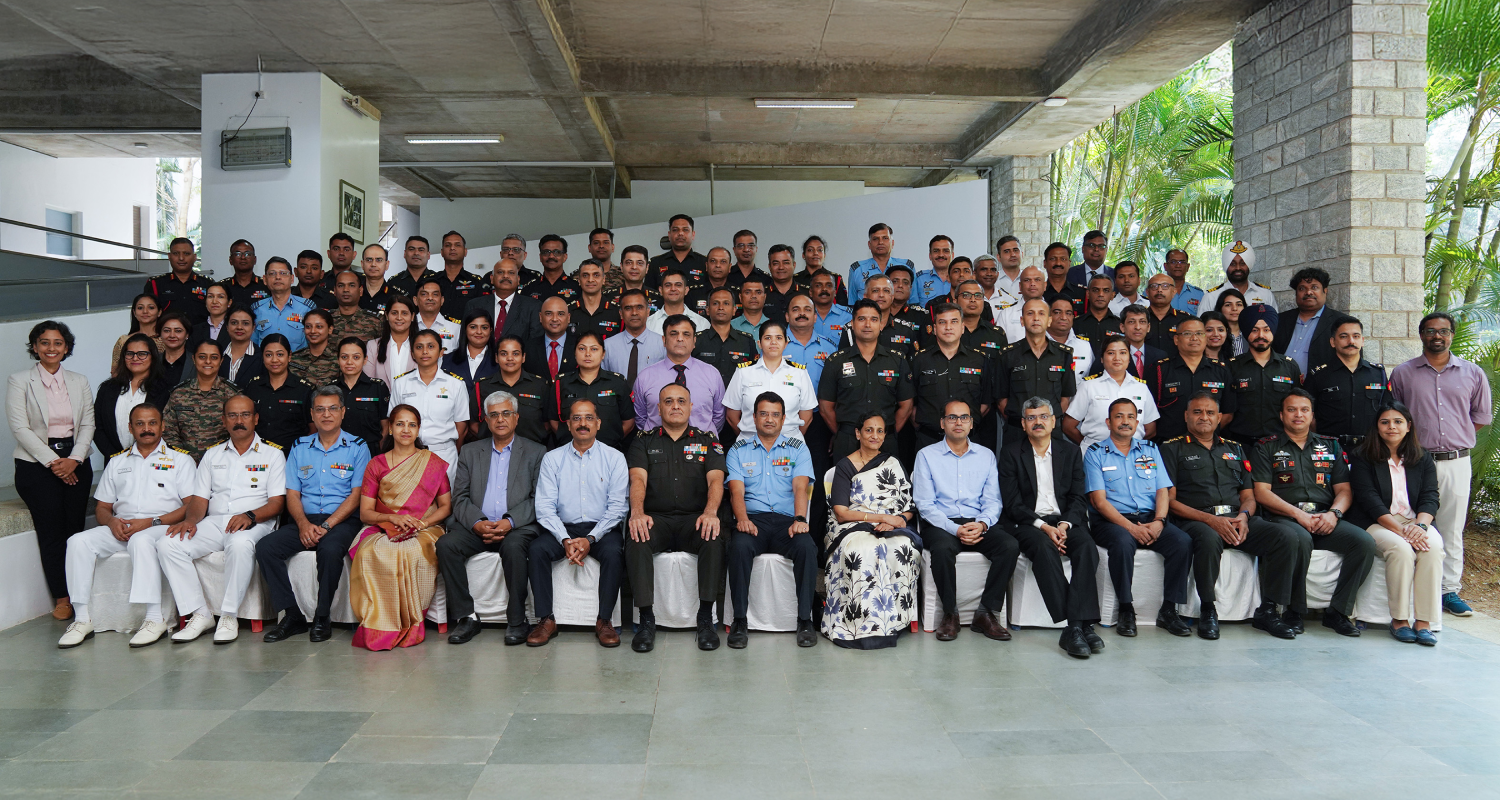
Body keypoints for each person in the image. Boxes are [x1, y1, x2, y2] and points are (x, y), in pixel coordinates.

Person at [1161, 393, 1303, 640]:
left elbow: (1248, 495)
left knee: (1285, 536)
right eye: (1197, 412)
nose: (1204, 417)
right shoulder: (1172, 448)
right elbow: (1170, 502)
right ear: (1186, 416)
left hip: (1237, 519)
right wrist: (1211, 520)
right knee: (1208, 538)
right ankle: (1208, 609)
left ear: (1219, 418)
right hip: (1196, 520)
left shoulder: (1235, 448)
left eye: (1210, 413)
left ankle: (1268, 610)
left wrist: (1245, 516)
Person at [57, 404, 196, 648]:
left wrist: (151, 522)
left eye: (152, 423)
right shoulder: (117, 462)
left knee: (141, 540)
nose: (146, 429)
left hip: (161, 525)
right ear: (130, 428)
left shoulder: (180, 460)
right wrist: (111, 522)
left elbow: (191, 506)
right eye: (140, 424)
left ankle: (155, 618)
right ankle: (82, 619)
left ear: (162, 426)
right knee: (77, 541)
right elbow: (102, 507)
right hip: (122, 526)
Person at [159, 395, 287, 644]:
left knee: (239, 544)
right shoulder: (212, 455)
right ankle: (201, 613)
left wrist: (250, 516)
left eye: (245, 415)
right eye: (232, 415)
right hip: (215, 521)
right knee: (168, 544)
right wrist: (192, 521)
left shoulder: (273, 455)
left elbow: (277, 503)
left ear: (256, 419)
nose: (239, 421)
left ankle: (229, 615)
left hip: (256, 522)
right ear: (224, 420)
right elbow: (199, 499)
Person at [1251, 388, 1378, 636]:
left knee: (1363, 543)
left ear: (1312, 415)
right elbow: (1262, 492)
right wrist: (1298, 516)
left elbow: (1344, 490)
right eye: (1291, 410)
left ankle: (1338, 612)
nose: (1298, 415)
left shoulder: (1329, 446)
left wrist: (1334, 514)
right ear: (1281, 415)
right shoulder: (1266, 447)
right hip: (1285, 517)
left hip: (1324, 517)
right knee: (1300, 538)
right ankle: (1294, 611)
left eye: (1304, 410)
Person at [1390, 311, 1491, 617]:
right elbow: (1394, 417)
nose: (1437, 336)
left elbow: (1481, 418)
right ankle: (1409, 588)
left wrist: (1454, 440)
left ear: (1452, 336)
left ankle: (1448, 591)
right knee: (1408, 522)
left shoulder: (1473, 373)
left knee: (1451, 527)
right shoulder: (1403, 374)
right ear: (1421, 335)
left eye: (1444, 331)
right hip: (1415, 462)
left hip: (1455, 463)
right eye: (1431, 331)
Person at [256, 387, 371, 643]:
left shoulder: (357, 446)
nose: (326, 414)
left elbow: (356, 495)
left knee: (329, 550)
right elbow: (292, 494)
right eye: (320, 409)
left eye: (332, 408)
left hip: (341, 520)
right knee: (266, 548)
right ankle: (293, 615)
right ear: (312, 414)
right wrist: (303, 525)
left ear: (343, 412)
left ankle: (322, 616)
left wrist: (328, 525)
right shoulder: (299, 447)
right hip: (305, 520)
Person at [440, 390, 548, 645]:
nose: (500, 419)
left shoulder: (536, 452)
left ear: (516, 418)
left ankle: (517, 619)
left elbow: (539, 498)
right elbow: (460, 497)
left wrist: (509, 522)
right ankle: (466, 617)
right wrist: (477, 523)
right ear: (486, 421)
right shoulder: (469, 451)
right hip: (478, 526)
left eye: (506, 413)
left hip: (516, 527)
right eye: (494, 415)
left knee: (513, 547)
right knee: (446, 545)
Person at [998, 398, 1102, 657]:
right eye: (1031, 418)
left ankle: (1075, 628)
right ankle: (1078, 625)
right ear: (1023, 424)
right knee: (1044, 548)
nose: (1038, 422)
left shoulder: (1070, 452)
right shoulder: (1011, 453)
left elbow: (1079, 497)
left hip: (1065, 521)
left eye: (1044, 416)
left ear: (1054, 421)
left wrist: (1065, 524)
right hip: (1028, 523)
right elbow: (1012, 503)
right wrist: (1044, 526)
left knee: (1087, 547)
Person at [626, 384, 726, 652]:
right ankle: (646, 620)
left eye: (681, 401)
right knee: (636, 536)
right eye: (668, 401)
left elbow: (716, 481)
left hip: (695, 519)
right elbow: (638, 479)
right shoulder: (643, 440)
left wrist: (710, 512)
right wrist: (637, 513)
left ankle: (705, 618)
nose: (675, 406)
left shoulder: (708, 441)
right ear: (658, 408)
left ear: (691, 406)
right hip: (656, 519)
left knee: (714, 535)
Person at [8, 321, 96, 621]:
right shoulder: (19, 380)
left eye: (58, 343)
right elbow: (20, 427)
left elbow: (87, 425)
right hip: (36, 465)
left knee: (75, 532)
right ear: (35, 347)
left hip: (75, 460)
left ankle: (81, 593)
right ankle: (62, 597)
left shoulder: (79, 380)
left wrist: (74, 459)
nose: (51, 348)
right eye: (44, 342)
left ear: (66, 348)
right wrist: (54, 463)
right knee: (52, 533)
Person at [1084, 398, 1193, 637]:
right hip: (1112, 521)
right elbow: (1099, 502)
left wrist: (1159, 521)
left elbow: (1162, 490)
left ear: (1137, 421)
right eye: (1119, 416)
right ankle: (1126, 609)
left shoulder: (1151, 450)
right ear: (1108, 422)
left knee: (1182, 542)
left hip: (1150, 518)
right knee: (1122, 544)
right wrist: (1130, 528)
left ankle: (1169, 610)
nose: (1125, 422)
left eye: (1130, 417)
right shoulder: (1094, 454)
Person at [348, 404, 452, 650]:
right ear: (391, 429)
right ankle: (379, 622)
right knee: (373, 551)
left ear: (418, 430)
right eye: (400, 424)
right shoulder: (377, 464)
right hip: (384, 525)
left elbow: (446, 507)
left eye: (412, 424)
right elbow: (365, 512)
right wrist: (392, 519)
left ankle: (411, 622)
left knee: (411, 552)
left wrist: (422, 523)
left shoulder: (433, 463)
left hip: (425, 527)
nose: (406, 429)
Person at [913, 399, 1016, 642]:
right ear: (942, 423)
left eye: (964, 417)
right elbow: (925, 505)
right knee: (941, 548)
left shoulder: (986, 456)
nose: (958, 422)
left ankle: (986, 613)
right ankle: (950, 614)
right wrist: (955, 529)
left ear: (971, 423)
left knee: (1009, 546)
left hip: (977, 521)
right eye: (952, 417)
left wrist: (982, 524)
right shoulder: (926, 456)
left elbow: (993, 500)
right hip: (942, 522)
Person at [530, 400, 629, 647]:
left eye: (588, 418)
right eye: (576, 418)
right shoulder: (552, 459)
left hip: (602, 529)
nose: (582, 423)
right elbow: (544, 507)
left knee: (615, 553)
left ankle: (604, 621)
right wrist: (564, 539)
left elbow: (617, 508)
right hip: (564, 528)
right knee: (537, 549)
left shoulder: (615, 458)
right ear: (568, 424)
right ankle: (546, 619)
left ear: (598, 423)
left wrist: (591, 539)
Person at [725, 393, 818, 648]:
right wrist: (742, 519)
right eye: (763, 414)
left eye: (775, 414)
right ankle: (740, 621)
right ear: (753, 417)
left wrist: (800, 519)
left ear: (784, 418)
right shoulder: (738, 450)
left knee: (807, 547)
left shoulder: (798, 449)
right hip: (753, 520)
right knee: (739, 546)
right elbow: (736, 491)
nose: (769, 419)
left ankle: (805, 620)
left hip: (787, 522)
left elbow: (801, 488)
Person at [1347, 402, 1443, 645]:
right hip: (1377, 521)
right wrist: (1402, 532)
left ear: (1408, 427)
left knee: (1432, 548)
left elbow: (1431, 496)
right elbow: (1369, 500)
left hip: (1414, 521)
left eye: (1398, 422)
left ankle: (1424, 622)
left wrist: (1420, 527)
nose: (1392, 427)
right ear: (1377, 427)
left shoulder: (1422, 458)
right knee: (1400, 549)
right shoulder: (1362, 457)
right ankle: (1399, 620)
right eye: (1385, 422)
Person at [821, 412, 919, 648]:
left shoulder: (893, 463)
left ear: (884, 435)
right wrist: (880, 518)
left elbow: (909, 506)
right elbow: (841, 512)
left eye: (880, 431)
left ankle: (893, 621)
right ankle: (858, 622)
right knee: (865, 548)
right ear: (858, 433)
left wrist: (895, 520)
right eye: (868, 430)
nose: (874, 435)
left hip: (890, 525)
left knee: (902, 546)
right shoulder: (845, 466)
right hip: (852, 525)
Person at [818, 300, 915, 464]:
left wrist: (883, 434)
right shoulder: (836, 361)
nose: (868, 324)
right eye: (861, 319)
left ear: (881, 325)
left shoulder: (897, 360)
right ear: (852, 325)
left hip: (886, 442)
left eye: (874, 319)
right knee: (846, 488)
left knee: (887, 488)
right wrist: (847, 433)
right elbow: (826, 407)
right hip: (848, 441)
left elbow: (906, 406)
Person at [389, 329, 470, 480]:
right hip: (407, 453)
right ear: (412, 354)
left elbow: (461, 426)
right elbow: (393, 422)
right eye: (419, 347)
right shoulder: (401, 383)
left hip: (444, 454)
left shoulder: (456, 384)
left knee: (444, 502)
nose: (425, 351)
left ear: (441, 352)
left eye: (431, 346)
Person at [994, 298, 1077, 446]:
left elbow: (1065, 396)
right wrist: (1024, 421)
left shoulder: (1063, 355)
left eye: (1041, 314)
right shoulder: (1007, 355)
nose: (1036, 318)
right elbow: (1001, 398)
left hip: (1051, 431)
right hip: (1017, 431)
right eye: (1030, 313)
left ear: (1049, 320)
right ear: (1022, 320)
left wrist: (1048, 421)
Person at [909, 304, 990, 451]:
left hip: (969, 440)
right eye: (942, 322)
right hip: (929, 440)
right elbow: (911, 403)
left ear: (962, 327)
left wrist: (964, 426)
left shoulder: (979, 360)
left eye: (954, 321)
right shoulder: (919, 360)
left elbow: (986, 402)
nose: (948, 327)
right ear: (934, 329)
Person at [1146, 316, 1237, 443]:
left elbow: (1227, 413)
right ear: (1176, 339)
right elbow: (1149, 415)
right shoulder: (1159, 370)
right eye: (1187, 333)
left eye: (1199, 333)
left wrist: (1204, 432)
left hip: (1208, 446)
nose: (1194, 338)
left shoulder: (1221, 371)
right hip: (1169, 446)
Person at [1304, 318, 1390, 450]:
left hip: (1369, 449)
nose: (1351, 341)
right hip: (1330, 449)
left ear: (1362, 341)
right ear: (1333, 342)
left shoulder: (1378, 374)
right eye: (1344, 336)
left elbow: (1387, 412)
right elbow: (1309, 416)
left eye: (1356, 336)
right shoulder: (1318, 375)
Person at [724, 320, 816, 441]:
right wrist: (750, 440)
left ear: (786, 343)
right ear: (759, 343)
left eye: (778, 338)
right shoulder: (743, 372)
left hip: (789, 443)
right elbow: (731, 416)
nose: (773, 342)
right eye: (767, 338)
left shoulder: (799, 373)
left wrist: (788, 440)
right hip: (750, 443)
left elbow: (807, 416)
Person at [632, 316, 725, 435]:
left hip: (701, 448)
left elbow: (719, 416)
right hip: (657, 448)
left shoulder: (712, 374)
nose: (680, 338)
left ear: (694, 341)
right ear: (664, 340)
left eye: (686, 334)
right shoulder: (645, 376)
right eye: (674, 334)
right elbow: (641, 417)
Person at [1224, 305, 1300, 445]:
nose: (1261, 336)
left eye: (1266, 330)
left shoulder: (1289, 366)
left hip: (1280, 445)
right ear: (1246, 332)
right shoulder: (1231, 367)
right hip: (1241, 444)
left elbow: (1298, 407)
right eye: (1254, 330)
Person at [1064, 338, 1158, 448]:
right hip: (1096, 456)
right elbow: (1068, 426)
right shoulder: (1088, 386)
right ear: (1102, 358)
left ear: (1129, 358)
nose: (1117, 358)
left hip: (1132, 455)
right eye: (1111, 353)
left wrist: (1126, 446)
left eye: (1123, 353)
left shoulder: (1141, 388)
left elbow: (1150, 429)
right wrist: (1090, 447)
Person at [94, 334, 171, 459]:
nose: (135, 358)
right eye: (130, 354)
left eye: (142, 354)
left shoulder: (165, 390)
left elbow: (168, 428)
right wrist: (116, 457)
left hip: (154, 460)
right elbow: (98, 426)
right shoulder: (107, 389)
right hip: (115, 461)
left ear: (153, 357)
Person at [471, 335, 555, 446]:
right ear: (496, 358)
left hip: (531, 452)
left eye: (515, 353)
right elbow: (474, 424)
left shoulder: (540, 385)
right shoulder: (482, 386)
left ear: (523, 357)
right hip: (492, 450)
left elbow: (547, 424)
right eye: (504, 354)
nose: (510, 358)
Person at [557, 332, 634, 451]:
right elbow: (552, 420)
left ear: (603, 354)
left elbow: (629, 421)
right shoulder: (561, 383)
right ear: (575, 353)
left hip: (609, 452)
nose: (587, 354)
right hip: (569, 452)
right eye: (582, 349)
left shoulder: (617, 383)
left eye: (594, 349)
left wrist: (610, 441)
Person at [162, 339, 238, 461]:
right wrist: (184, 458)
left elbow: (238, 432)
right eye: (202, 357)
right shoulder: (179, 393)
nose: (208, 361)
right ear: (193, 359)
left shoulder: (232, 395)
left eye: (214, 357)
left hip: (222, 463)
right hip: (183, 463)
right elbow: (168, 431)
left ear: (221, 361)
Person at [241, 335, 316, 452]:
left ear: (289, 356)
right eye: (268, 355)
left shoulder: (304, 389)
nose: (274, 360)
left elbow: (313, 429)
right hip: (257, 454)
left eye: (280, 354)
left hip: (291, 454)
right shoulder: (253, 386)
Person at [1275, 267, 1355, 374]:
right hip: (1281, 385)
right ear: (1296, 293)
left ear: (1325, 291)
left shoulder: (1341, 323)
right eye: (1302, 288)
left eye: (1314, 287)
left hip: (1321, 387)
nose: (1308, 292)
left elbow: (1352, 359)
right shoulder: (1280, 320)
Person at [693, 287, 759, 391]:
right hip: (704, 400)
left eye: (726, 303)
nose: (721, 307)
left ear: (734, 310)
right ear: (708, 310)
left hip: (738, 401)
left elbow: (754, 375)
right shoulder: (695, 340)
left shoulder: (747, 341)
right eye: (715, 303)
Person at [333, 336, 389, 456]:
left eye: (356, 357)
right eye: (344, 357)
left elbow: (385, 427)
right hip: (337, 452)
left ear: (365, 360)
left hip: (370, 453)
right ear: (338, 359)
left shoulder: (377, 387)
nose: (349, 362)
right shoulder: (331, 389)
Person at [465, 259, 542, 345]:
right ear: (492, 278)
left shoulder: (533, 307)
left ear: (518, 279)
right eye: (500, 272)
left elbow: (535, 344)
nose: (505, 276)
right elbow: (465, 341)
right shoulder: (474, 305)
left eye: (511, 273)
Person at [143, 237, 212, 325]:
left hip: (200, 337)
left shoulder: (207, 283)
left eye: (186, 253)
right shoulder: (155, 284)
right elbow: (148, 314)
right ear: (169, 256)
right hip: (167, 336)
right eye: (176, 253)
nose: (181, 258)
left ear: (194, 257)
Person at [251, 258, 315, 352]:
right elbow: (253, 345)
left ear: (292, 278)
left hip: (299, 365)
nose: (278, 277)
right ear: (265, 280)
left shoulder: (307, 308)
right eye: (272, 273)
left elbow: (314, 343)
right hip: (266, 364)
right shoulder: (256, 310)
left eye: (283, 273)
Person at [603, 290, 666, 384]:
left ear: (648, 311)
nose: (634, 313)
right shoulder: (608, 345)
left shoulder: (662, 344)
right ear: (621, 313)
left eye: (639, 307)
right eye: (628, 308)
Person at [1201, 240, 1277, 313]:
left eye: (1242, 263)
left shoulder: (1265, 294)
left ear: (1249, 265)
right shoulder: (1211, 297)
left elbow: (1274, 323)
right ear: (1226, 266)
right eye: (1233, 264)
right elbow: (1201, 325)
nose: (1238, 268)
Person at [847, 222, 914, 301]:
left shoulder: (907, 267)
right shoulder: (857, 269)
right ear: (869, 244)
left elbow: (913, 301)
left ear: (892, 243)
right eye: (875, 239)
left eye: (885, 238)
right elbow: (852, 304)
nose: (880, 242)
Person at [433, 232, 489, 319]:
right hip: (434, 331)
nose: (452, 248)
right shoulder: (431, 280)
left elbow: (483, 312)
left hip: (465, 331)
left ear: (465, 252)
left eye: (457, 245)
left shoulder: (476, 282)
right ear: (442, 252)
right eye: (448, 245)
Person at [364, 295, 416, 386]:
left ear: (412, 317)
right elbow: (369, 384)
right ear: (387, 316)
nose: (399, 318)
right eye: (394, 313)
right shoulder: (373, 346)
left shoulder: (421, 347)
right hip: (381, 400)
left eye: (404, 313)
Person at [525, 297, 578, 382]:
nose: (554, 319)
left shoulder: (580, 346)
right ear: (540, 317)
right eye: (549, 314)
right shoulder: (528, 348)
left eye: (560, 314)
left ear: (568, 318)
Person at [443, 308, 498, 387]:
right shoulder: (447, 360)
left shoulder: (499, 360)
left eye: (484, 328)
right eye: (473, 327)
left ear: (491, 330)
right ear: (465, 329)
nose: (479, 332)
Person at [649, 214, 709, 286]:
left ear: (693, 234)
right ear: (669, 235)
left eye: (685, 230)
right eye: (675, 230)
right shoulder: (655, 263)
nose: (680, 233)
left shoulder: (704, 263)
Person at [1046, 296, 1094, 383]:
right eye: (1057, 312)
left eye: (1068, 313)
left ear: (1073, 317)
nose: (1064, 317)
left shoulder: (1085, 346)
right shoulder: (1036, 344)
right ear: (1048, 315)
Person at [569, 259, 622, 338]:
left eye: (596, 275)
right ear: (579, 280)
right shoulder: (568, 311)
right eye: (585, 275)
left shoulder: (617, 312)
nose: (590, 280)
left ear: (603, 279)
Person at [1075, 274, 1124, 357]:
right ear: (1088, 294)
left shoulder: (1120, 326)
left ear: (1112, 295)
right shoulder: (1075, 324)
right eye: (1095, 290)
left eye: (1106, 290)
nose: (1100, 294)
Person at [1143, 274, 1192, 357]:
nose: (1159, 290)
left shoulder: (1185, 319)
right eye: (1154, 286)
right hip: (1146, 368)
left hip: (1176, 368)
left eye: (1165, 286)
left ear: (1174, 292)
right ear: (1147, 292)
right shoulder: (1140, 319)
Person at [330, 269, 384, 343]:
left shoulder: (376, 321)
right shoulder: (325, 319)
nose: (346, 290)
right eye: (341, 285)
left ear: (361, 291)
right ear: (335, 291)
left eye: (351, 285)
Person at [289, 309, 340, 387]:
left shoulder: (339, 358)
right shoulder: (294, 358)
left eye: (319, 326)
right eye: (308, 326)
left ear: (330, 329)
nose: (313, 331)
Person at [995, 266, 1046, 343]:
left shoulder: (1053, 312)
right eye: (1027, 280)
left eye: (1037, 280)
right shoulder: (1006, 314)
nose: (1032, 284)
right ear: (1020, 286)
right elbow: (998, 344)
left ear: (1045, 285)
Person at [793, 235, 849, 305]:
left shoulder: (836, 279)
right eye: (810, 250)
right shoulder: (794, 280)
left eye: (820, 250)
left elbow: (843, 307)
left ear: (824, 255)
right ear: (803, 255)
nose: (815, 253)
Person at [524, 234, 580, 302]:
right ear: (540, 257)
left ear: (565, 257)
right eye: (546, 252)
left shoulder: (577, 287)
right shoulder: (529, 288)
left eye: (556, 252)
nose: (551, 256)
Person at [218, 239, 271, 310]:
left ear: (255, 260)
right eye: (238, 254)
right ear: (230, 260)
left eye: (247, 254)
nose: (243, 257)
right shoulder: (222, 287)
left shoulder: (267, 286)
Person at [413, 279, 461, 355]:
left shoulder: (456, 329)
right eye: (424, 294)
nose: (430, 298)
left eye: (435, 294)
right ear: (415, 300)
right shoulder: (407, 325)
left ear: (442, 300)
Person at [112, 293, 162, 366]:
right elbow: (116, 371)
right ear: (134, 312)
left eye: (151, 308)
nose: (145, 311)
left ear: (159, 312)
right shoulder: (123, 341)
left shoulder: (166, 340)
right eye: (140, 308)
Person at [221, 307, 263, 387]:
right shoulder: (218, 354)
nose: (239, 327)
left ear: (253, 327)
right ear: (227, 326)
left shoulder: (261, 357)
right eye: (234, 323)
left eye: (245, 323)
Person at [1041, 242, 1086, 316]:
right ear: (1045, 263)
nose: (1058, 263)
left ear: (1069, 263)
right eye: (1053, 259)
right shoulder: (1038, 292)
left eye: (1063, 259)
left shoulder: (1081, 293)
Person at [911, 234, 955, 306]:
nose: (941, 255)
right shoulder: (919, 280)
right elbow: (912, 307)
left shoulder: (959, 279)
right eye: (936, 251)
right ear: (930, 256)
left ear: (952, 255)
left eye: (946, 251)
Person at [809, 271, 852, 343]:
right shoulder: (803, 316)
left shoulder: (849, 316)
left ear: (835, 292)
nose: (824, 289)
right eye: (818, 285)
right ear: (810, 292)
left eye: (829, 285)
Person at [974, 254, 1018, 320]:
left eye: (993, 270)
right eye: (984, 269)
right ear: (974, 274)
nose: (989, 273)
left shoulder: (1010, 301)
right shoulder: (967, 299)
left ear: (997, 274)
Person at [358, 243, 397, 315]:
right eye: (369, 260)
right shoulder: (354, 292)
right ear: (362, 264)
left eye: (378, 260)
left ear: (387, 265)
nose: (373, 264)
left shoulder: (395, 296)